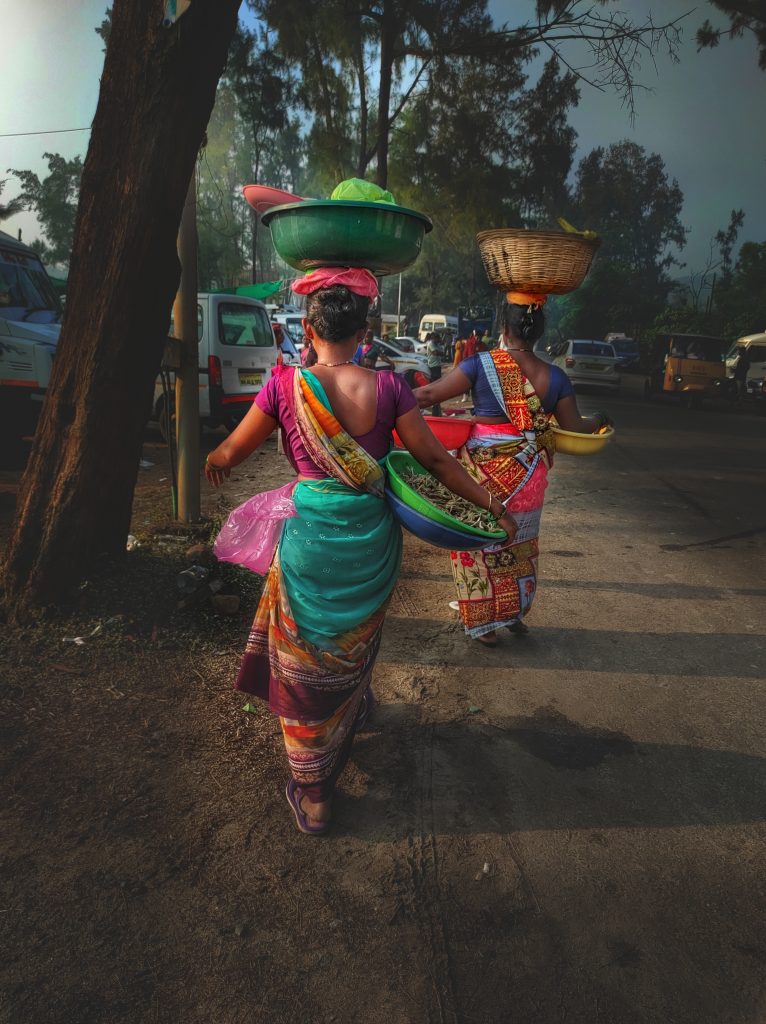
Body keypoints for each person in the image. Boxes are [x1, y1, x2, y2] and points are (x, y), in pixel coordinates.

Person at [204, 268, 517, 834]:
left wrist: (215, 462)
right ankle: (353, 707)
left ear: (310, 329)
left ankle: (316, 795)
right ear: (365, 331)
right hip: (372, 542)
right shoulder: (391, 388)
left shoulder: (284, 386)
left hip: (308, 542)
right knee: (353, 639)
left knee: (304, 655)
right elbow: (437, 461)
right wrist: (491, 505)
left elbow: (233, 451)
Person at [413, 291, 611, 647]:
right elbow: (576, 427)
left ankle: (485, 622)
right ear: (540, 332)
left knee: (479, 543)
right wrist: (600, 420)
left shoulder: (480, 365)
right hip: (530, 474)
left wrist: (384, 396)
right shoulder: (556, 377)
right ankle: (512, 611)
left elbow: (427, 397)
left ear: (503, 326)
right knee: (519, 543)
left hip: (483, 477)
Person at [425, 332, 444, 416]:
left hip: (437, 366)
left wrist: (440, 352)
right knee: (434, 383)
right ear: (434, 338)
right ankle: (434, 402)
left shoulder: (437, 344)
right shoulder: (431, 344)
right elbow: (435, 353)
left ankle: (436, 403)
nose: (438, 340)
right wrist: (440, 352)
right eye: (437, 338)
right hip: (433, 366)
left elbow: (440, 352)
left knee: (438, 383)